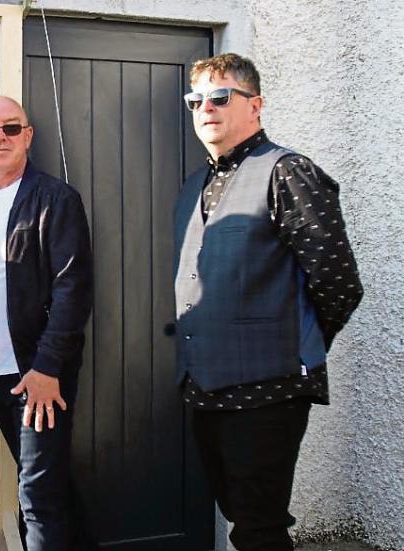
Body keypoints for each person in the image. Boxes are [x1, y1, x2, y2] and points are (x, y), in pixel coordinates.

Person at [172, 53, 363, 550]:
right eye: (196, 100)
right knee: (239, 516)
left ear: (254, 105)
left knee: (260, 528)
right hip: (204, 386)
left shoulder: (288, 172)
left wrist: (294, 344)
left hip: (269, 389)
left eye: (220, 97)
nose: (206, 108)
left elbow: (338, 281)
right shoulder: (195, 186)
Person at [0, 96, 93, 550]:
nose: (0, 137)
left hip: (38, 377)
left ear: (28, 136)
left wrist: (48, 367)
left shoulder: (55, 199)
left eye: (11, 128)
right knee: (51, 489)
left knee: (37, 498)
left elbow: (73, 290)